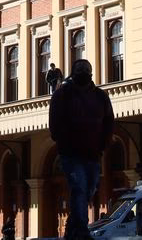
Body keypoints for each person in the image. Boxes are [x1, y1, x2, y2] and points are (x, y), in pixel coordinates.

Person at [49, 60, 114, 240]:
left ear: (91, 73)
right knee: (79, 188)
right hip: (71, 154)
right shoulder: (62, 95)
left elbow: (109, 121)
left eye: (86, 69)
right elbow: (55, 122)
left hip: (92, 153)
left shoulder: (101, 96)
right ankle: (81, 231)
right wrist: (63, 140)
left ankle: (72, 226)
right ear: (73, 72)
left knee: (89, 190)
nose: (83, 72)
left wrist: (103, 144)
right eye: (80, 69)